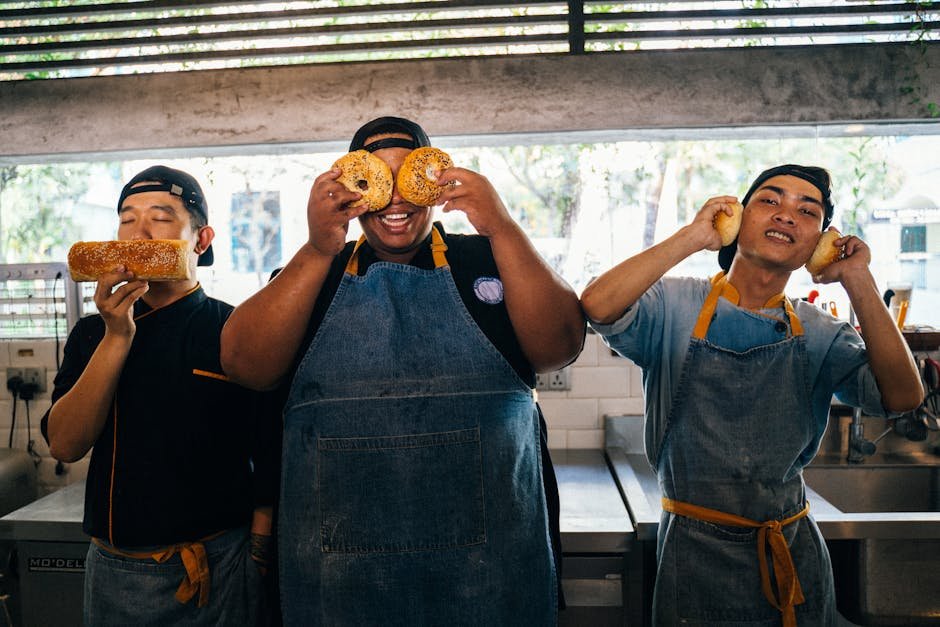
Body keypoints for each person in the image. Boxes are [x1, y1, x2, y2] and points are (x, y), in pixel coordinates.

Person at [220, 116, 585, 625]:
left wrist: (500, 225)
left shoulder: (490, 258)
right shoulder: (312, 275)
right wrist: (318, 247)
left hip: (490, 577)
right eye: (376, 181)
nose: (395, 199)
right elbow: (244, 366)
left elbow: (560, 346)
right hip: (342, 585)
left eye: (408, 176)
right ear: (348, 190)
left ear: (436, 183)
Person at [580, 164, 924, 626]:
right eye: (770, 200)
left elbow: (902, 396)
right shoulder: (673, 306)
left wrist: (857, 278)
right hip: (691, 556)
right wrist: (692, 237)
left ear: (819, 242)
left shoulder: (822, 334)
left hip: (791, 556)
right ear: (737, 219)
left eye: (808, 211)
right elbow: (597, 305)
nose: (786, 215)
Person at [41, 165, 280, 626]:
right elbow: (65, 445)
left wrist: (258, 556)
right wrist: (116, 335)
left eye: (161, 217)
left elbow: (269, 450)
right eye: (127, 219)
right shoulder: (93, 332)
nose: (138, 233)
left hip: (216, 564)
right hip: (113, 569)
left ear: (201, 239)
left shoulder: (235, 328)